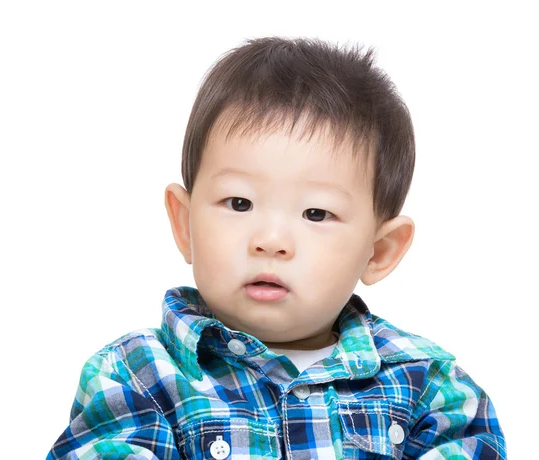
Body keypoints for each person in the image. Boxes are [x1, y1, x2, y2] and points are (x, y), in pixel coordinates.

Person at [47, 36, 506, 459]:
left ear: (379, 250)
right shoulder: (138, 376)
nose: (270, 241)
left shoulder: (430, 387)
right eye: (239, 203)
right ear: (185, 224)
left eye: (316, 214)